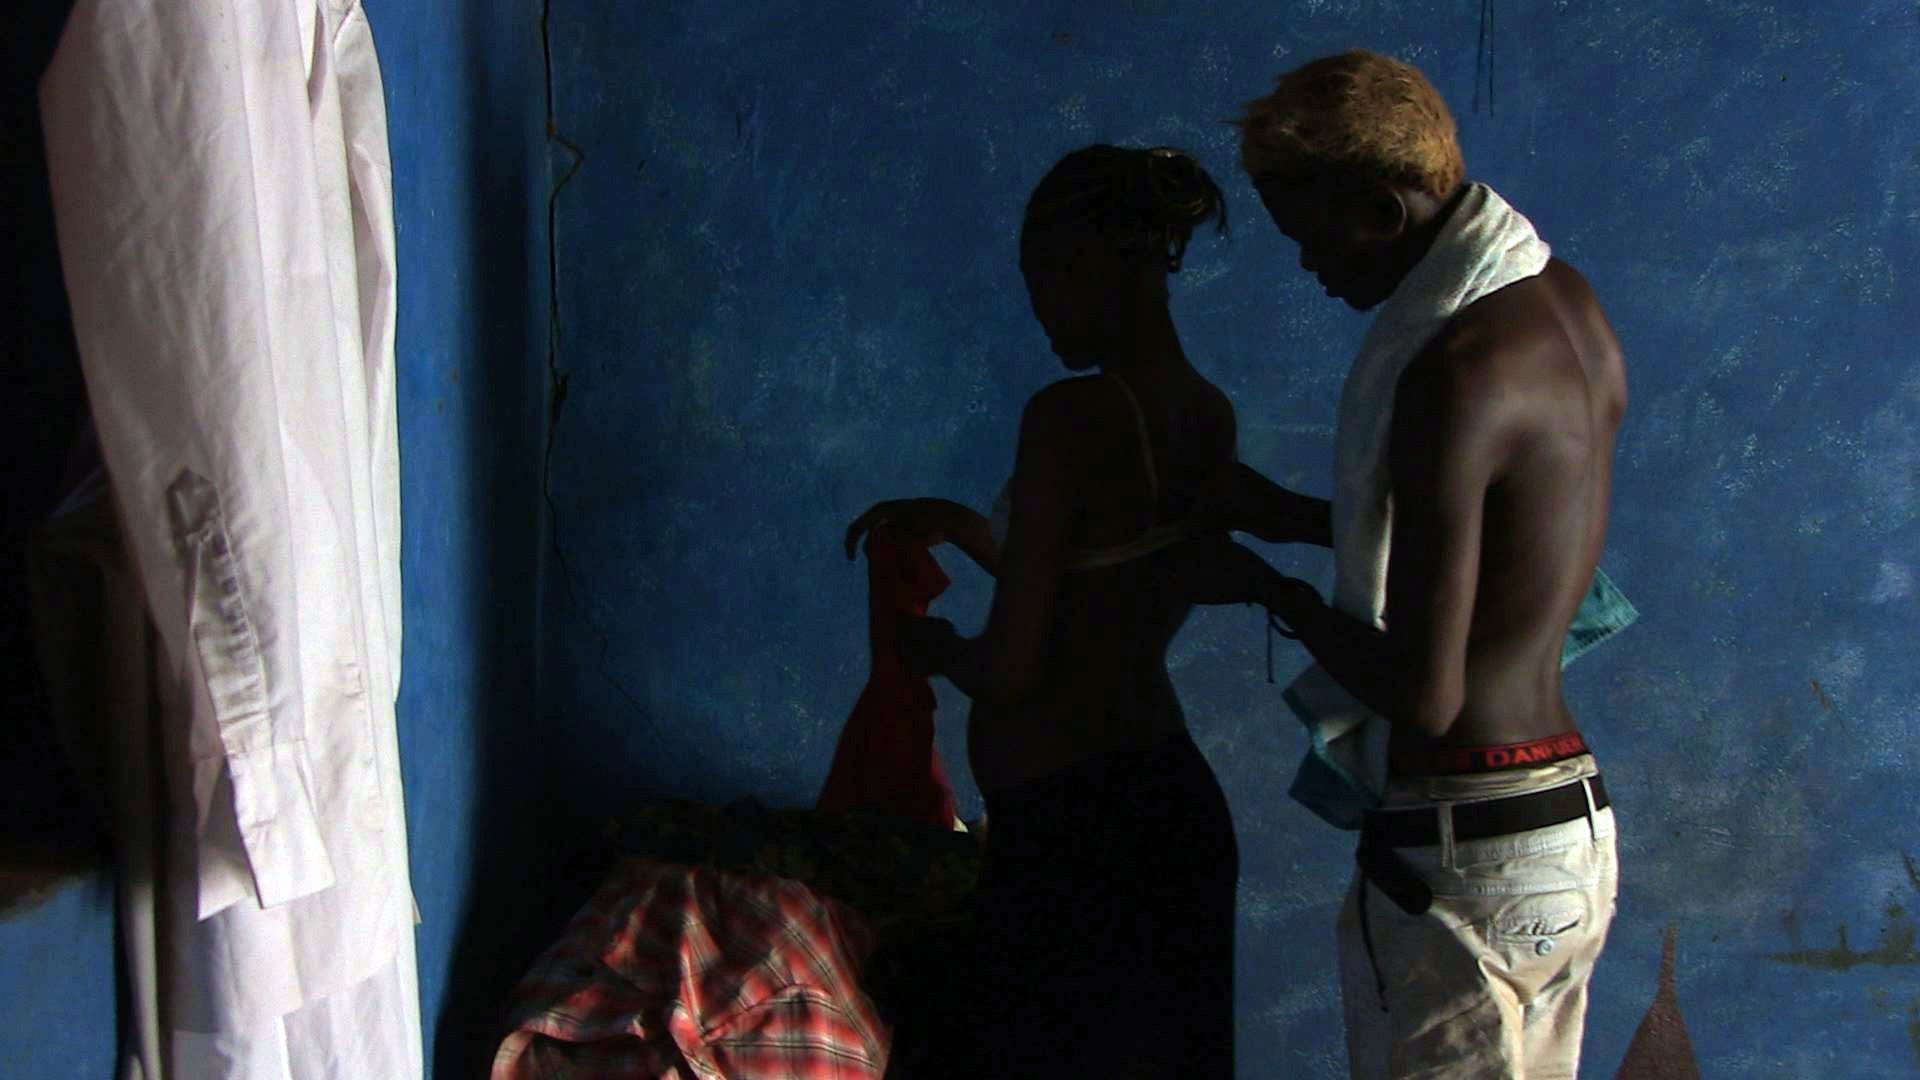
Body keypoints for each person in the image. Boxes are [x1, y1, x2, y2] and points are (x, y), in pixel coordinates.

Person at [1186, 49, 1629, 1078]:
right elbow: (1492, 534)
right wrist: (1290, 516)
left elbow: (1426, 697)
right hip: (1567, 833)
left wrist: (1269, 589)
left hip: (1463, 856)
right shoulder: (1564, 305)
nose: (1309, 264)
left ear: (1384, 212)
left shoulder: (1452, 373)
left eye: (1311, 234)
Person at [845, 144, 1240, 1078]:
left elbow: (1013, 670)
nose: (1038, 309)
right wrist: (968, 532)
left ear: (1093, 263)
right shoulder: (1205, 413)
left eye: (1043, 281)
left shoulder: (1070, 416)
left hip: (1078, 839)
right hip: (1168, 812)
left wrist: (937, 648)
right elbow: (1106, 586)